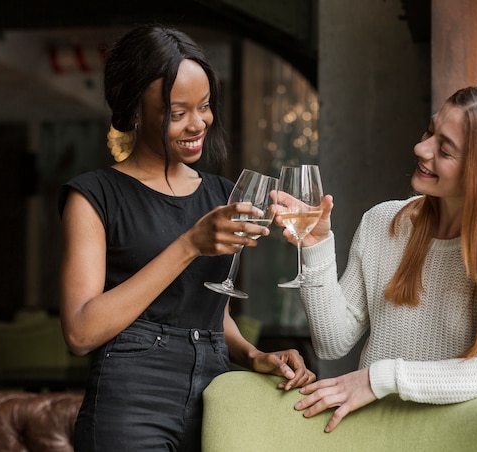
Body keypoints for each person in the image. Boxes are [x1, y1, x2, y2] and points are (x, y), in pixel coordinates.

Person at [58, 24, 315, 451]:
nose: (198, 124)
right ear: (135, 112)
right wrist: (189, 245)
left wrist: (253, 356)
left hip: (215, 394)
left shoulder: (221, 193)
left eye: (206, 107)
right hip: (131, 401)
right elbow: (81, 332)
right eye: (178, 113)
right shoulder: (94, 196)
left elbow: (211, 312)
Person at [276, 86, 477, 432]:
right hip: (372, 435)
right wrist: (316, 245)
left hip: (460, 440)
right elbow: (331, 342)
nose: (420, 148)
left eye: (444, 150)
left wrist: (379, 379)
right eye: (430, 131)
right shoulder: (383, 222)